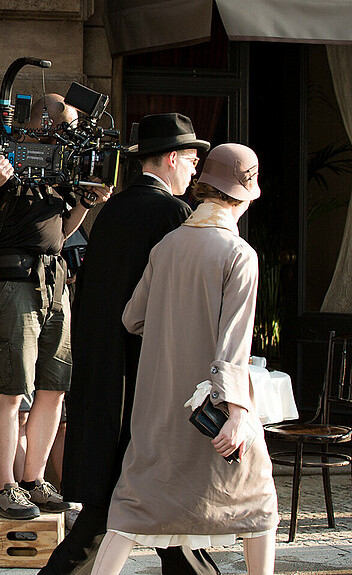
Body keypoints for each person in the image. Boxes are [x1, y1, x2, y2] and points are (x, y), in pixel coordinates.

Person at [90, 143, 277, 575]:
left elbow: (132, 318)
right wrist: (236, 414)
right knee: (258, 507)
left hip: (157, 409)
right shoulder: (238, 254)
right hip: (213, 413)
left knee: (132, 511)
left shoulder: (168, 246)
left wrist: (171, 333)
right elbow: (234, 343)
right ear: (246, 193)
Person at [42, 113, 215, 575]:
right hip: (145, 377)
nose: (195, 172)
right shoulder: (175, 215)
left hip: (103, 369)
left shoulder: (112, 210)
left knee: (124, 503)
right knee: (133, 498)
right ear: (173, 158)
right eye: (192, 161)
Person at [0, 94, 111, 520]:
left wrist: (84, 203)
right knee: (11, 390)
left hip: (53, 280)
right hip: (10, 282)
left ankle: (33, 478)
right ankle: (5, 485)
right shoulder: (1, 158)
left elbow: (61, 236)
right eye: (67, 127)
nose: (71, 138)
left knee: (54, 387)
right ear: (43, 121)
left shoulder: (61, 169)